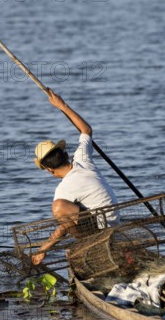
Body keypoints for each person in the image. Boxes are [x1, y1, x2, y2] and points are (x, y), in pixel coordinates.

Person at [31, 89, 119, 265]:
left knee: (58, 207)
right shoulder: (82, 159)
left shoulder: (63, 191)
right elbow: (86, 129)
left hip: (103, 228)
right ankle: (89, 244)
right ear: (64, 154)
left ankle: (89, 245)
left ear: (49, 169)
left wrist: (43, 249)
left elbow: (63, 226)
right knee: (67, 209)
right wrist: (61, 105)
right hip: (112, 220)